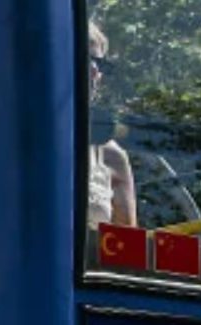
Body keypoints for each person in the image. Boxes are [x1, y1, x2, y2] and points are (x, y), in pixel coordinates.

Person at [85, 20, 136, 230]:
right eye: (84, 58)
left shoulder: (112, 156)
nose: (94, 70)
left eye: (100, 63)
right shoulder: (9, 135)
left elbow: (127, 250)